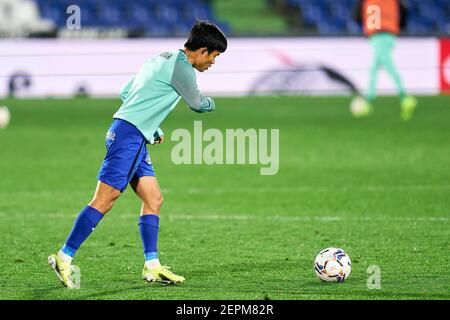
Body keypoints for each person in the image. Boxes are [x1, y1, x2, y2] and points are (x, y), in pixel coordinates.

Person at [47, 21, 227, 288]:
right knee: (104, 200)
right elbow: (198, 104)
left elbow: (126, 92)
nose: (213, 63)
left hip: (130, 133)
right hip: (129, 137)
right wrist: (214, 103)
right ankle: (64, 256)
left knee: (153, 198)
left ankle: (152, 265)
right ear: (202, 50)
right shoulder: (183, 67)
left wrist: (151, 128)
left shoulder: (160, 58)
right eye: (214, 56)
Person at [353, 0, 418, 120]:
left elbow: (356, 16)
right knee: (374, 68)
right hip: (389, 33)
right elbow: (404, 11)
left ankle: (405, 97)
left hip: (378, 35)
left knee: (389, 66)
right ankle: (369, 97)